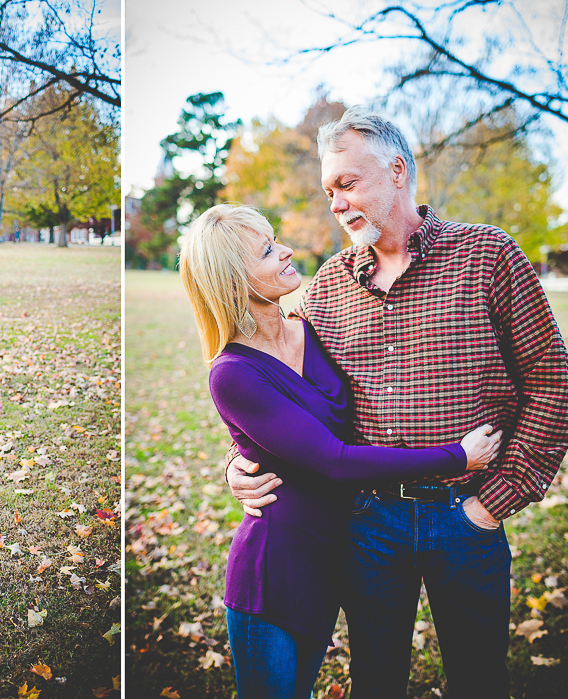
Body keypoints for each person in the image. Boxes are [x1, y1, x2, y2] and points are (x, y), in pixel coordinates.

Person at [226, 107, 568, 698]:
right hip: (368, 522)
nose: (336, 204)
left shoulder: (488, 255)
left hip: (467, 513)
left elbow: (552, 380)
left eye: (347, 184)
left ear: (397, 172)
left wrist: (497, 500)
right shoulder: (327, 288)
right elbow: (273, 393)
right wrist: (236, 462)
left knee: (479, 680)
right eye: (329, 190)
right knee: (376, 681)